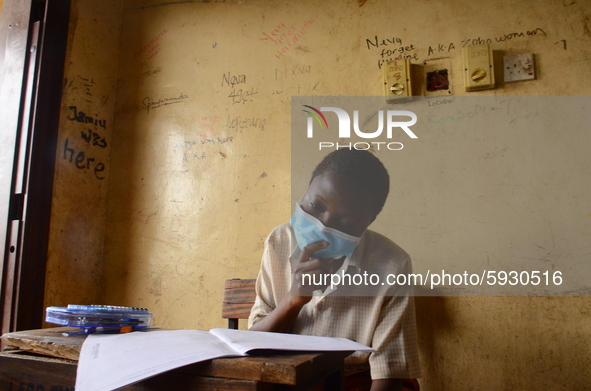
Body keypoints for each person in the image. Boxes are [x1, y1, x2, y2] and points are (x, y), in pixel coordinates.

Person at [248, 148, 421, 391]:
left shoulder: (392, 265)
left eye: (345, 223)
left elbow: (388, 375)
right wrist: (293, 301)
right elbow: (253, 343)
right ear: (305, 191)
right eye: (316, 206)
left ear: (367, 223)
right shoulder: (279, 242)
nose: (323, 226)